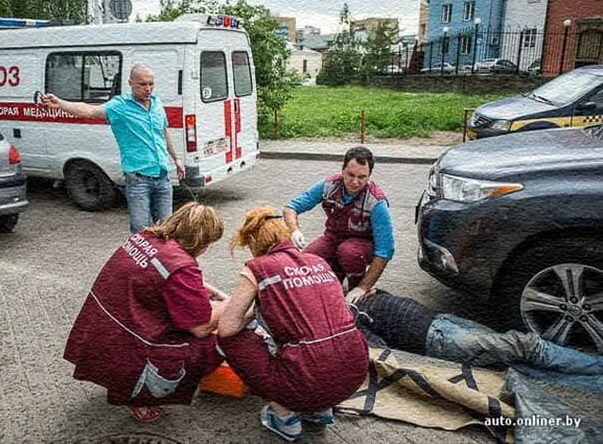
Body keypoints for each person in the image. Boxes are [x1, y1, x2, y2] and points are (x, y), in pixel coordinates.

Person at [64, 202, 228, 423]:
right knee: (221, 337)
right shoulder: (182, 265)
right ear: (201, 240)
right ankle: (146, 392)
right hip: (134, 341)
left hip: (103, 328)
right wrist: (235, 304)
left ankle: (125, 380)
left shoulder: (145, 238)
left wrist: (207, 291)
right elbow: (200, 327)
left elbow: (162, 275)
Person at [218, 207, 369, 442]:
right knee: (317, 342)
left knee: (232, 339)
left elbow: (227, 327)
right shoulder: (318, 260)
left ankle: (284, 416)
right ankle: (319, 409)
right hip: (354, 372)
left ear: (254, 241)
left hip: (307, 380)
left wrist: (252, 311)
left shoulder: (258, 268)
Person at [41, 64, 185, 233]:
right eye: (142, 84)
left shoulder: (156, 103)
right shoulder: (120, 106)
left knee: (166, 229)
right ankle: (140, 260)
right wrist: (61, 103)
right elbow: (90, 111)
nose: (148, 89)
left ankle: (161, 260)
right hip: (139, 180)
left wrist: (177, 158)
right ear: (130, 83)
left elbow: (163, 131)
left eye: (151, 84)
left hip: (162, 177)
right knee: (141, 231)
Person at [346, 288, 603, 379]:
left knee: (510, 359)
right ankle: (596, 366)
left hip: (441, 321)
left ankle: (584, 371)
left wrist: (374, 293)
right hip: (437, 340)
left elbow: (395, 306)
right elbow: (382, 353)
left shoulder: (358, 300)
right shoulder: (351, 321)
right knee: (524, 345)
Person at [283, 146, 394, 299]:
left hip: (362, 247)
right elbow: (291, 208)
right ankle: (331, 281)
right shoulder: (329, 186)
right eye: (350, 175)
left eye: (362, 177)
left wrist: (363, 287)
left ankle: (357, 289)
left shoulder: (376, 202)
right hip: (332, 239)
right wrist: (294, 230)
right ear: (342, 170)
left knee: (348, 252)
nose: (355, 182)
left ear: (369, 176)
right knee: (304, 263)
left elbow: (385, 251)